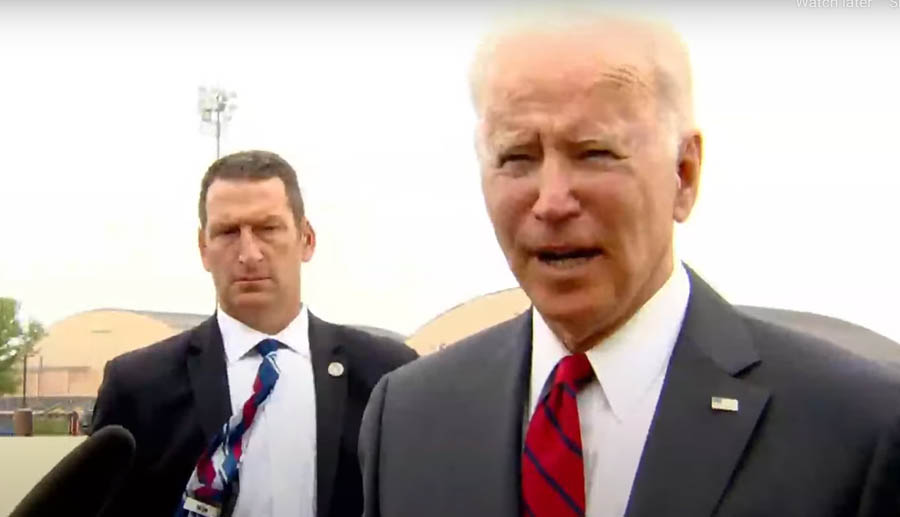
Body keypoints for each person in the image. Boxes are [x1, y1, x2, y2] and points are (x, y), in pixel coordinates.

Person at [359, 11, 900, 517]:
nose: (551, 201)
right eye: (517, 157)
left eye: (594, 153)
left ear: (683, 175)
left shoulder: (856, 427)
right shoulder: (407, 418)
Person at [92, 150, 418, 517]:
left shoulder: (388, 376)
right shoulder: (140, 387)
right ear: (204, 248)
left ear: (307, 239)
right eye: (228, 232)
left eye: (267, 228)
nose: (249, 253)